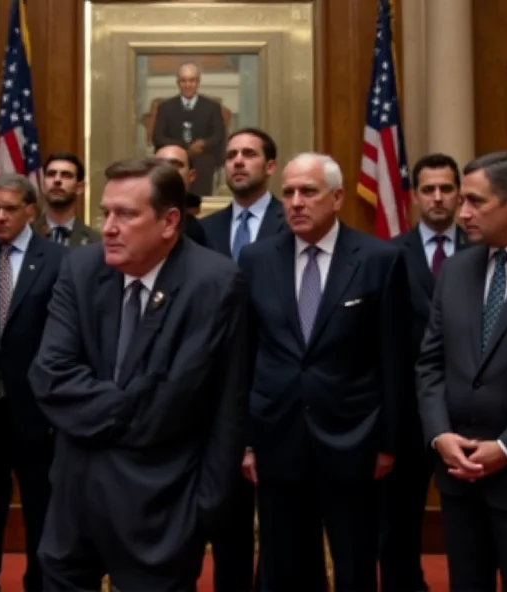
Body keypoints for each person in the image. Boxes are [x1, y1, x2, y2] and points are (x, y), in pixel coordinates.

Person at [29, 156, 251, 590]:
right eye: (105, 212)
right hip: (75, 498)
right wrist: (135, 402)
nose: (109, 227)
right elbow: (50, 377)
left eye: (126, 214)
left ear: (170, 222)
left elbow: (209, 400)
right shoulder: (80, 268)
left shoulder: (215, 283)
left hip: (162, 505)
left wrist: (205, 508)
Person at [239, 152, 409, 592]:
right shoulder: (257, 259)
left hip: (353, 437)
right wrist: (247, 442)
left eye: (307, 192)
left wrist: (389, 443)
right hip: (277, 436)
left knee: (354, 565)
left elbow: (393, 357)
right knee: (282, 568)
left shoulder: (379, 259)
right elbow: (245, 355)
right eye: (289, 192)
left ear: (336, 198)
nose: (295, 202)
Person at [417, 151, 507, 592]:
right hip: (459, 480)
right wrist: (441, 435)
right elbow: (430, 363)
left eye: (475, 202)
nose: (463, 214)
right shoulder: (457, 269)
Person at [0, 173, 64, 592]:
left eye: (8, 209)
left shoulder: (58, 260)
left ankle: (39, 585)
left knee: (42, 510)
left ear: (30, 211)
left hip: (36, 410)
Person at [199, 127, 284, 592]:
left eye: (248, 154)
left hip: (272, 385)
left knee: (277, 527)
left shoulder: (289, 223)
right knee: (227, 520)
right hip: (215, 391)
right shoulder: (205, 230)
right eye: (230, 154)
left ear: (269, 166)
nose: (237, 162)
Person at [382, 153, 467, 592]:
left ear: (459, 194)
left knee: (472, 526)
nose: (438, 197)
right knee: (399, 522)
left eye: (446, 189)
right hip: (409, 415)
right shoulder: (389, 255)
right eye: (428, 189)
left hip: (472, 415)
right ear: (414, 197)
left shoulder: (482, 250)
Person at [152, 62, 226, 196]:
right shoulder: (165, 107)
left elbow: (219, 135)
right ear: (177, 82)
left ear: (198, 82)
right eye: (183, 81)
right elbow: (158, 138)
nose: (188, 85)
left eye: (192, 80)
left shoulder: (212, 107)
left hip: (203, 160)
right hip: (173, 161)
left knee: (205, 163)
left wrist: (204, 143)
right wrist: (185, 147)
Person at [33, 152, 100, 247]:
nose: (57, 180)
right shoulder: (26, 235)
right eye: (51, 174)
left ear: (80, 188)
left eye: (66, 175)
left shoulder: (95, 242)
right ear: (43, 185)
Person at [154, 143, 208, 246]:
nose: (167, 170)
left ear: (191, 175)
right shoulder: (135, 221)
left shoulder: (203, 230)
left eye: (175, 165)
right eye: (159, 165)